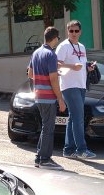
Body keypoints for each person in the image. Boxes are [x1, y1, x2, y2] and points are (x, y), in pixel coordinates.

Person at [55, 20, 96, 159]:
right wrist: (72, 67)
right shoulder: (63, 46)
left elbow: (81, 65)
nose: (73, 33)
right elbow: (56, 64)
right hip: (69, 85)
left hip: (81, 85)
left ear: (80, 32)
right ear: (67, 32)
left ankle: (68, 150)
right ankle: (81, 149)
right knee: (78, 117)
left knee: (73, 118)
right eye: (71, 31)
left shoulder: (82, 47)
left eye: (76, 31)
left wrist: (88, 68)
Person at [28, 26, 67, 169]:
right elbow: (53, 79)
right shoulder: (51, 54)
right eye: (58, 38)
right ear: (55, 38)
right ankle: (44, 159)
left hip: (39, 95)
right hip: (48, 97)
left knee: (46, 127)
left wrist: (44, 77)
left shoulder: (36, 52)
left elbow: (30, 74)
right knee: (48, 129)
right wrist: (60, 99)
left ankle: (40, 157)